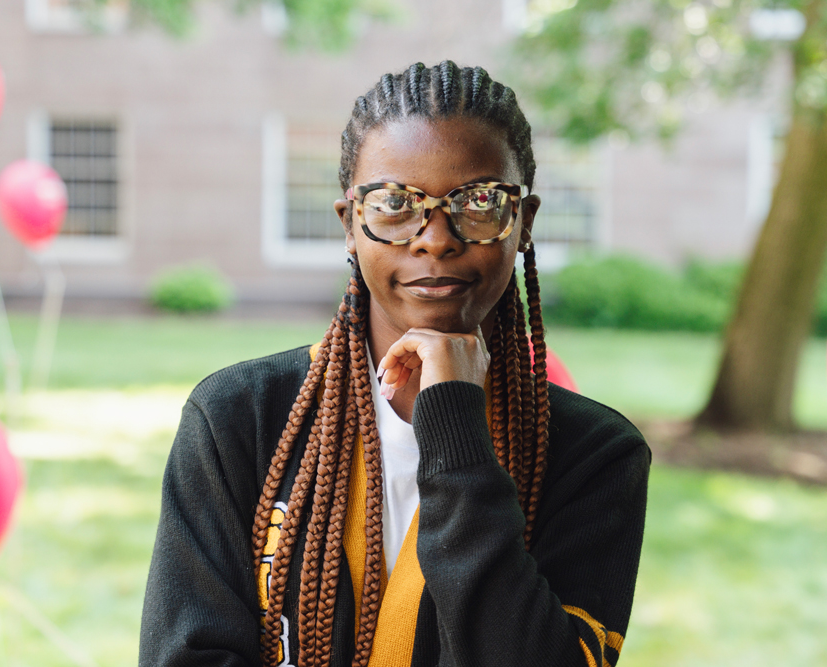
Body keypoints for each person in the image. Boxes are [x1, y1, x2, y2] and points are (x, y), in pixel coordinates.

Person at [139, 61, 650, 667]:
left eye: (479, 201)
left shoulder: (594, 454)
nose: (435, 237)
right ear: (350, 225)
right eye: (394, 203)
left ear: (524, 222)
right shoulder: (237, 420)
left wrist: (456, 432)